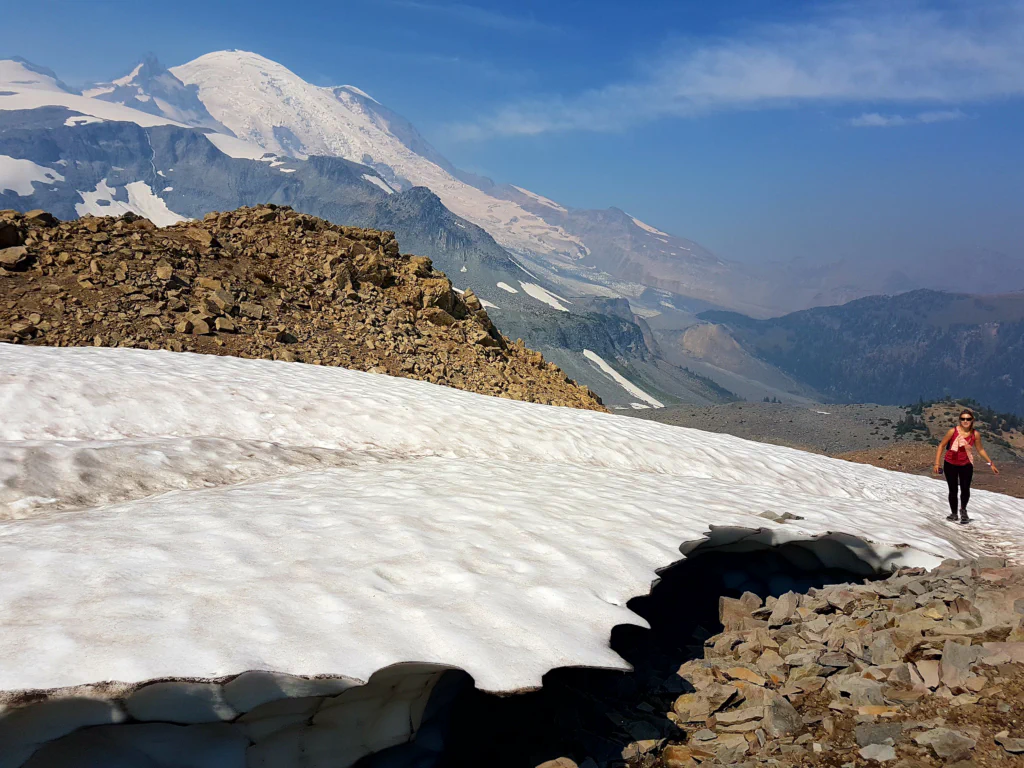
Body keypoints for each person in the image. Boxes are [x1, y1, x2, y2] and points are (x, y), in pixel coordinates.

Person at [933, 408, 999, 524]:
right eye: (963, 419)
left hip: (966, 464)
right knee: (953, 489)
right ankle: (954, 513)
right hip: (950, 464)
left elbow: (980, 449)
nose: (965, 421)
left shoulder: (975, 434)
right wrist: (937, 463)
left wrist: (990, 463)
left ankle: (963, 511)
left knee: (965, 489)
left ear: (972, 420)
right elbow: (941, 446)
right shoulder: (952, 432)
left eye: (968, 419)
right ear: (959, 420)